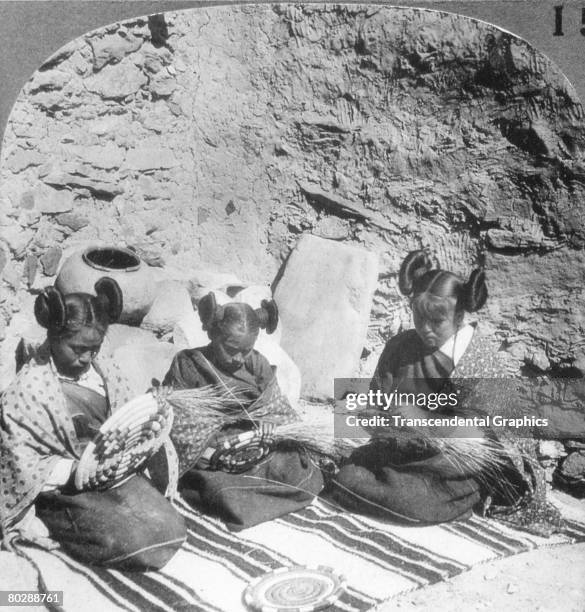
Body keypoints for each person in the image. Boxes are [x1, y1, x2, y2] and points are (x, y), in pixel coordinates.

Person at [328, 250, 563, 536]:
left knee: (411, 499)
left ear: (459, 315)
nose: (425, 329)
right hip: (404, 451)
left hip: (457, 464)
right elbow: (378, 401)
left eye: (436, 322)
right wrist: (375, 415)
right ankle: (395, 487)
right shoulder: (400, 347)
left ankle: (426, 498)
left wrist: (424, 420)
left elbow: (485, 437)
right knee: (347, 477)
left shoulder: (476, 359)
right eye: (418, 317)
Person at [0, 278, 186, 570]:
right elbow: (19, 464)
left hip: (112, 472)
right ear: (53, 336)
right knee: (133, 541)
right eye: (77, 348)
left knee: (170, 528)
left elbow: (126, 416)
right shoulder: (28, 391)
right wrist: (75, 470)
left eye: (94, 348)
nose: (86, 358)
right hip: (63, 489)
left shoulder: (104, 368)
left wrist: (150, 411)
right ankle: (54, 527)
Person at [163, 292, 323, 531]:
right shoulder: (187, 363)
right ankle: (257, 501)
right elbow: (179, 422)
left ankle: (257, 500)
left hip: (253, 446)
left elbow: (275, 407)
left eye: (247, 350)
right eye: (230, 349)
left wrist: (269, 424)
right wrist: (213, 445)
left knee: (303, 473)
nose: (239, 358)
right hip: (211, 455)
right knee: (221, 492)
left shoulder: (257, 364)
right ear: (212, 334)